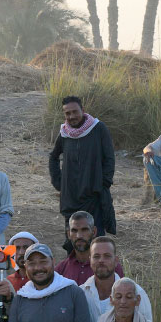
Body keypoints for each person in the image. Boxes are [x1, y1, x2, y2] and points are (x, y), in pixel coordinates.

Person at [49, 95, 115, 238]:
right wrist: (59, 182)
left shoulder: (98, 128)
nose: (72, 116)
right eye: (67, 113)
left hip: (93, 196)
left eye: (75, 112)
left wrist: (104, 183)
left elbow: (109, 158)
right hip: (70, 198)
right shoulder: (65, 133)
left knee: (95, 239)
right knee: (73, 241)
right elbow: (53, 156)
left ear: (83, 110)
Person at [81, 236, 148, 322]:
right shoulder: (81, 293)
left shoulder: (136, 292)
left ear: (116, 260)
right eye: (96, 256)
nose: (101, 260)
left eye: (107, 256)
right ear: (90, 260)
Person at [55, 212, 123, 286]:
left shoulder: (110, 266)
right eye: (74, 231)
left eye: (84, 230)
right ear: (68, 234)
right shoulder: (61, 270)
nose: (79, 236)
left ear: (94, 232)